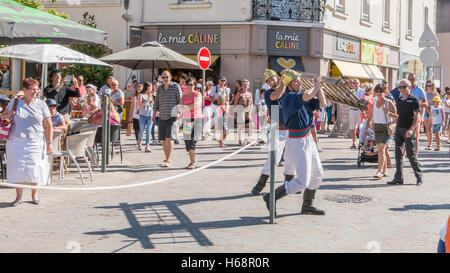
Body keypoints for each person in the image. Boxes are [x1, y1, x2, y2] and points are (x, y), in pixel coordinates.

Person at [262, 69, 327, 216]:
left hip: (308, 138)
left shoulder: (300, 94)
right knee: (302, 181)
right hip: (297, 141)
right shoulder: (288, 97)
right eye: (296, 81)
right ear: (289, 84)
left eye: (299, 80)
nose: (299, 83)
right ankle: (271, 196)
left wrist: (320, 88)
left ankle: (307, 205)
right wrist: (316, 86)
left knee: (317, 175)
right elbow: (307, 95)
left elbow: (322, 104)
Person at [2, 78, 53, 206]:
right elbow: (3, 116)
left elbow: (48, 125)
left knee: (35, 168)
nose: (36, 91)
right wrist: (6, 117)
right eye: (33, 89)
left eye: (37, 89)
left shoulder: (41, 104)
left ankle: (35, 195)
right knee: (17, 169)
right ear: (24, 90)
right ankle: (18, 197)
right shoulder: (14, 102)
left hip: (35, 141)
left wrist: (49, 142)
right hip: (16, 141)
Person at [251, 69, 295, 196]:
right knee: (273, 158)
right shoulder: (269, 93)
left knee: (290, 158)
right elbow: (278, 95)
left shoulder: (289, 89)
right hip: (276, 128)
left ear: (277, 78)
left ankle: (290, 184)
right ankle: (261, 183)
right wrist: (284, 82)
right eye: (268, 81)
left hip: (291, 128)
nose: (271, 82)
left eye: (272, 79)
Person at [388, 79, 423, 186]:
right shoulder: (399, 100)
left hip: (408, 130)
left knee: (411, 155)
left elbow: (417, 116)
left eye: (404, 87)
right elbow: (398, 116)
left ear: (409, 87)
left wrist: (412, 129)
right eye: (400, 87)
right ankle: (398, 178)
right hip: (399, 129)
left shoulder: (414, 100)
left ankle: (419, 176)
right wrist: (393, 126)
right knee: (398, 155)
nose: (402, 89)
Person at [365, 84, 397, 179]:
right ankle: (385, 170)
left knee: (381, 150)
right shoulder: (374, 103)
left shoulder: (389, 102)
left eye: (381, 91)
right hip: (377, 128)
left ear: (385, 92)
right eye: (377, 91)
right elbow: (370, 118)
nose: (378, 93)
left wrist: (387, 112)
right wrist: (367, 129)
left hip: (386, 128)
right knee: (381, 150)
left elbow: (396, 116)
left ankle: (379, 171)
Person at [153, 71, 182, 168]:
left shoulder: (175, 86)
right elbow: (156, 102)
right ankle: (166, 158)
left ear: (171, 77)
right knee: (163, 139)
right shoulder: (160, 88)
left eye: (167, 77)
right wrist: (154, 114)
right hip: (162, 116)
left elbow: (180, 101)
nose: (165, 79)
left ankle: (168, 159)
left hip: (172, 116)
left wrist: (179, 112)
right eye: (163, 77)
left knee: (169, 138)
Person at [181, 78, 203, 169]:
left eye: (192, 84)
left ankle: (193, 163)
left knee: (192, 141)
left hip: (196, 119)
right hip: (186, 120)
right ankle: (191, 162)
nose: (190, 86)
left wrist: (185, 107)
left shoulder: (198, 94)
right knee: (187, 142)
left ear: (194, 85)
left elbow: (196, 105)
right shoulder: (184, 96)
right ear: (185, 85)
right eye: (188, 84)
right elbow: (181, 108)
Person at [407, 73, 428, 156]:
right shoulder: (405, 89)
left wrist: (415, 105)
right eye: (409, 79)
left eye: (412, 79)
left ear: (415, 80)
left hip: (416, 116)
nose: (410, 81)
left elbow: (425, 104)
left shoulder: (419, 90)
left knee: (415, 137)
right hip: (406, 115)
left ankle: (415, 154)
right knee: (406, 135)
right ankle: (405, 154)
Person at [234, 79, 254, 146]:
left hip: (248, 111)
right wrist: (235, 113)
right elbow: (235, 104)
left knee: (252, 126)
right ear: (242, 86)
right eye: (244, 85)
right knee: (241, 126)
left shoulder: (250, 94)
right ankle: (239, 139)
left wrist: (250, 112)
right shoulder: (239, 93)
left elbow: (251, 104)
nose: (245, 86)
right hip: (240, 110)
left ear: (248, 86)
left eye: (246, 85)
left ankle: (248, 140)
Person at [348, 79, 365, 149]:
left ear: (359, 84)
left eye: (356, 83)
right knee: (352, 128)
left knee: (361, 127)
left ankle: (361, 142)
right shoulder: (350, 92)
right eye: (354, 83)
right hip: (352, 110)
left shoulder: (363, 91)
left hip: (360, 111)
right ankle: (354, 143)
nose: (355, 84)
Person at [423, 81, 440, 150]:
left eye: (430, 85)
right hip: (426, 110)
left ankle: (437, 144)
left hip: (434, 111)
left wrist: (432, 111)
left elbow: (438, 103)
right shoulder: (424, 93)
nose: (429, 87)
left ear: (433, 86)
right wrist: (427, 109)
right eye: (427, 85)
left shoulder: (435, 93)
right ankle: (429, 144)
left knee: (430, 127)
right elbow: (423, 102)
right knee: (427, 128)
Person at [137, 82, 154, 152]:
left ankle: (147, 146)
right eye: (150, 87)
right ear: (147, 87)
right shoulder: (140, 94)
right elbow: (140, 105)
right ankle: (139, 142)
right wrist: (147, 100)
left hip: (150, 115)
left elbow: (152, 105)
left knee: (148, 131)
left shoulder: (150, 95)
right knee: (142, 131)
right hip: (142, 115)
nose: (151, 88)